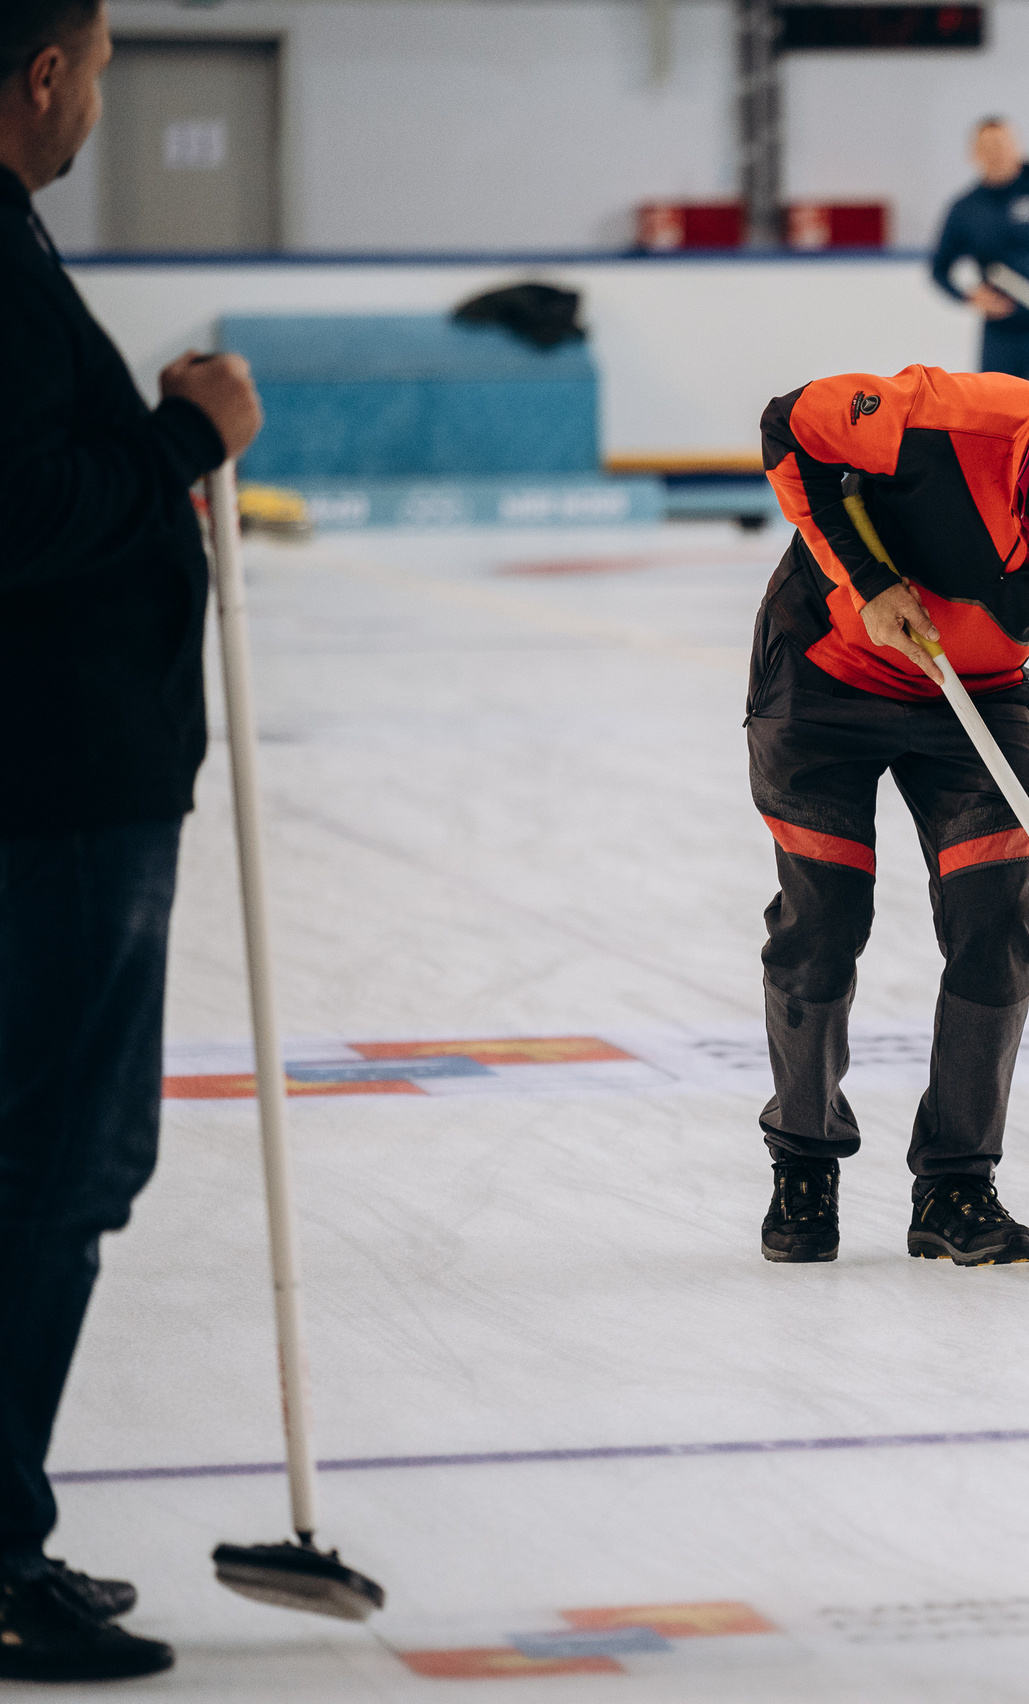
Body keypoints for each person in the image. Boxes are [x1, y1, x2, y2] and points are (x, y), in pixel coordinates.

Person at [3, 0, 265, 1680]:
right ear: (41, 73)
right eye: (98, 66)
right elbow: (23, 508)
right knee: (47, 1169)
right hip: (55, 802)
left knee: (49, 1167)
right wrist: (189, 437)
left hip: (73, 787)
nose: (102, 94)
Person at [751, 370, 1029, 1268]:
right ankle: (803, 1158)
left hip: (978, 699)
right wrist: (871, 579)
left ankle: (955, 1181)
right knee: (825, 920)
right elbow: (789, 429)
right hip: (825, 677)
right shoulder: (943, 425)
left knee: (996, 922)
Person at [929, 118, 1029, 395]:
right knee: (994, 410)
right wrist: (970, 296)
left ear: (1017, 148)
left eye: (1002, 144)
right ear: (974, 154)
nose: (996, 153)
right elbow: (938, 268)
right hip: (1001, 332)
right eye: (987, 146)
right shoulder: (965, 208)